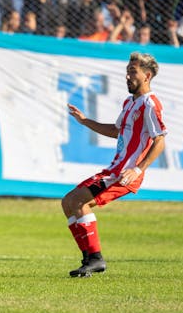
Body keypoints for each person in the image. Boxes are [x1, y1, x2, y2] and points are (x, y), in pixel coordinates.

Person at [63, 52, 167, 277]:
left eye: (133, 72)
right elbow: (116, 130)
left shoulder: (150, 103)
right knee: (68, 202)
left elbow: (160, 141)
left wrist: (138, 168)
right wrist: (85, 121)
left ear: (147, 76)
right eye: (127, 72)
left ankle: (96, 259)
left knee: (79, 201)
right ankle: (89, 259)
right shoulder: (130, 102)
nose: (128, 77)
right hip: (114, 170)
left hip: (125, 174)